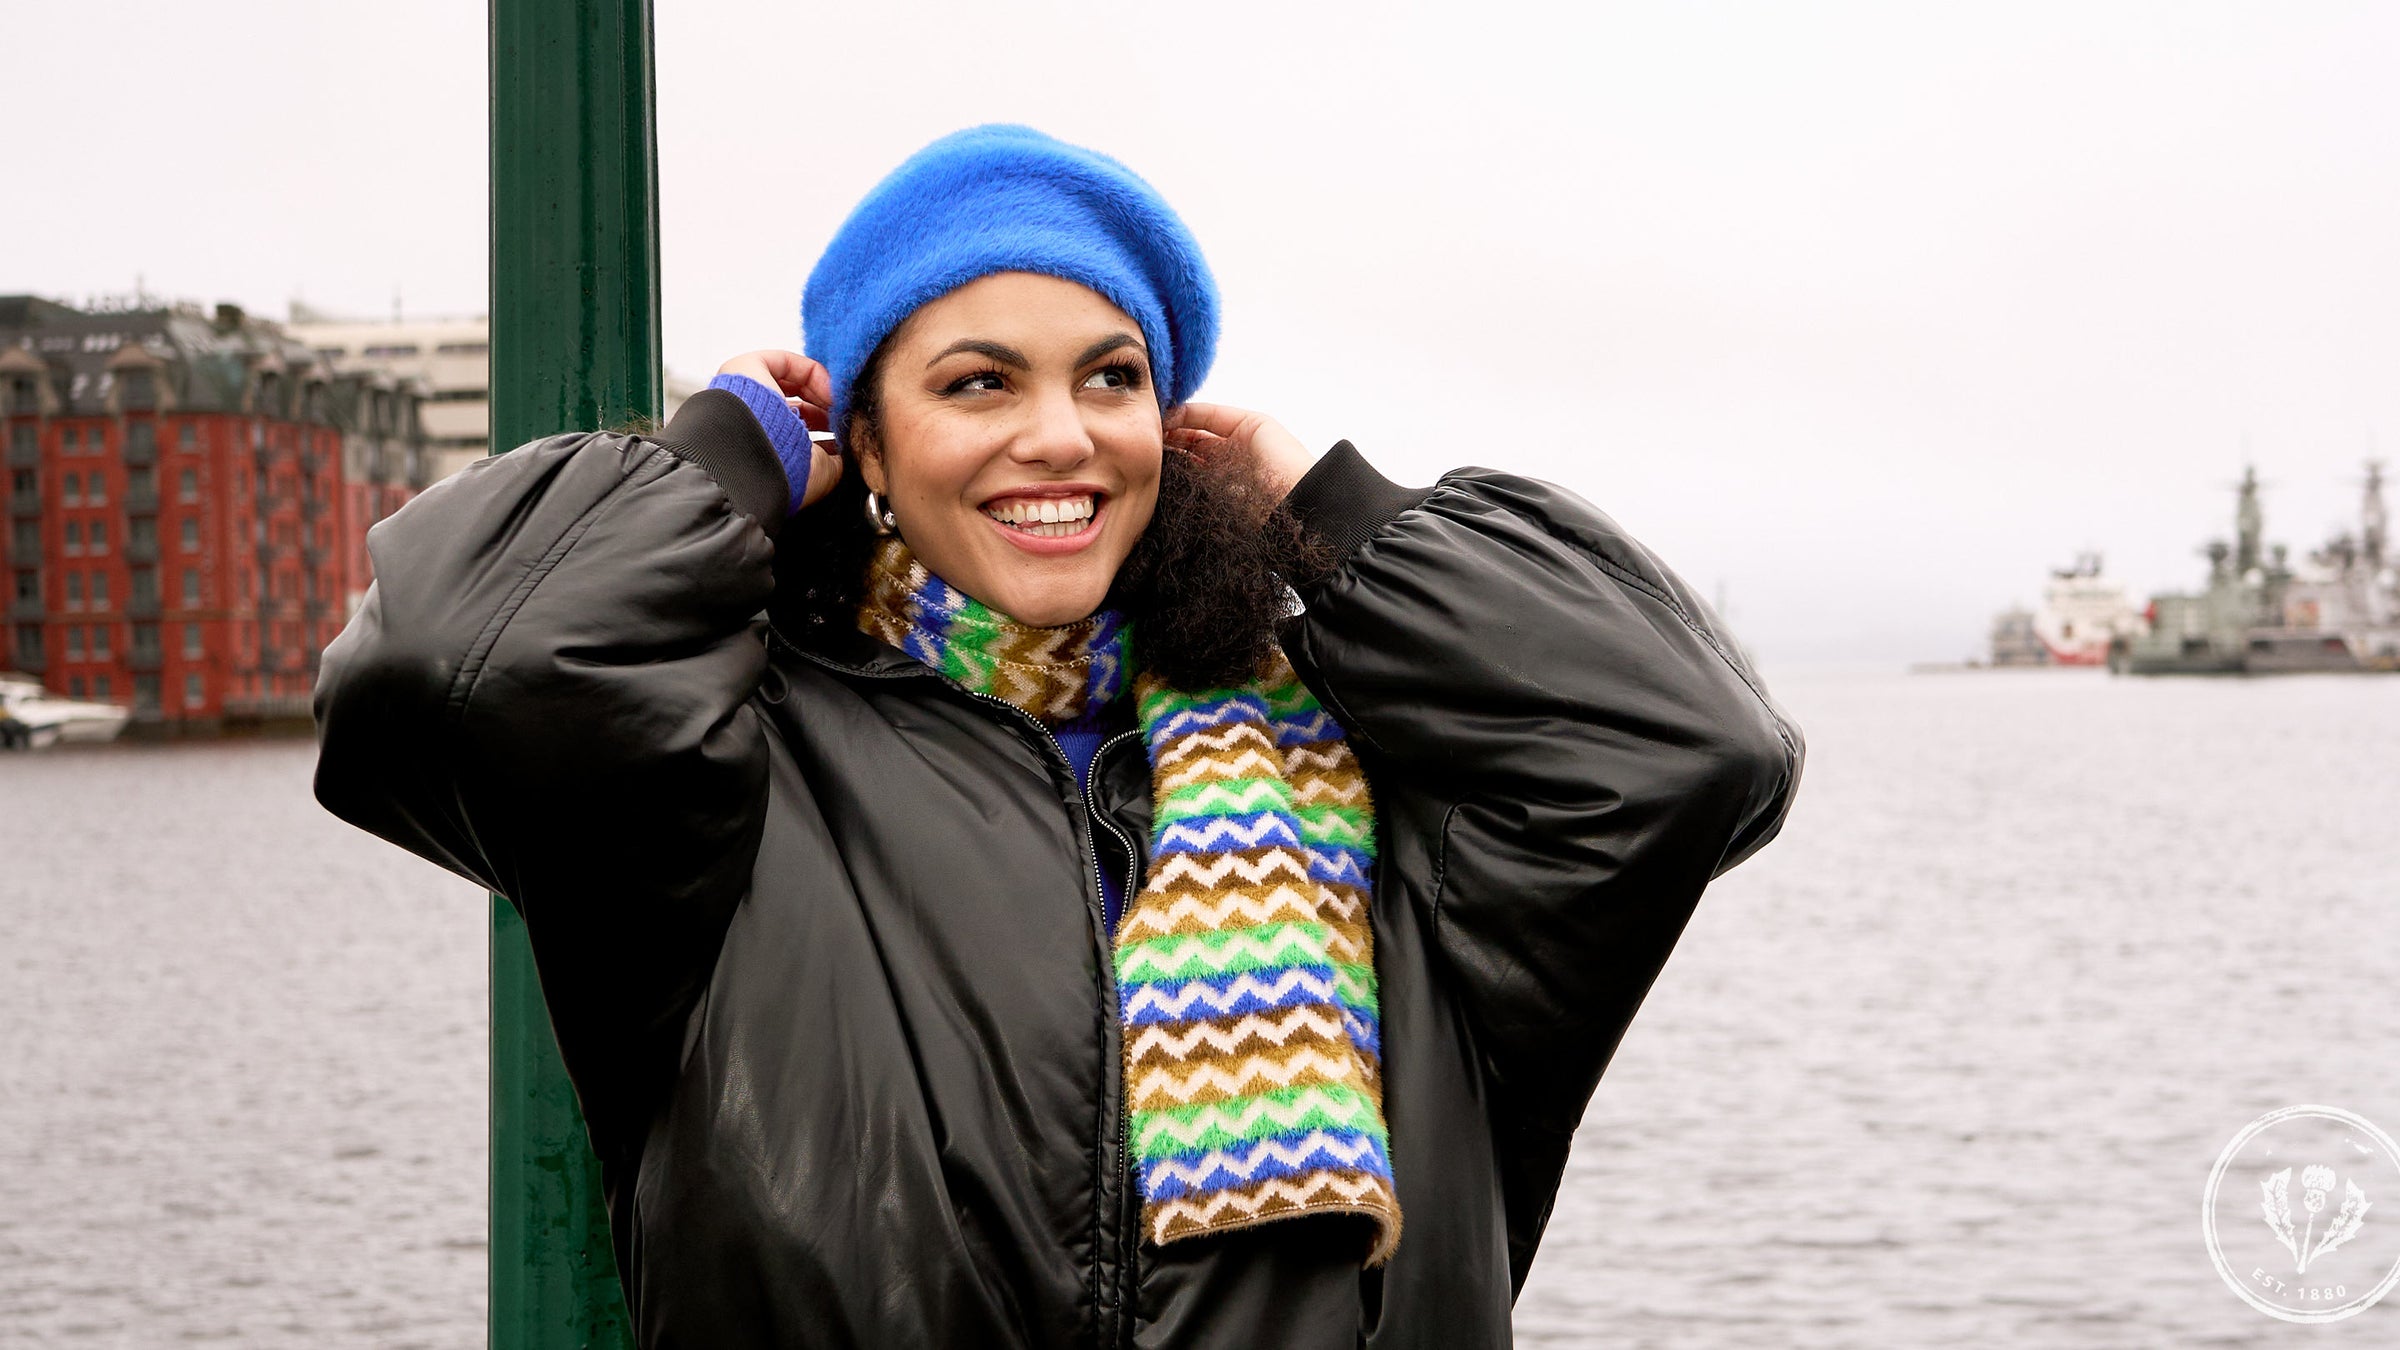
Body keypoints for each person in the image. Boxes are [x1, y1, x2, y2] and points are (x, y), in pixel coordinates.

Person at [313, 125, 1804, 1348]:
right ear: (867, 442)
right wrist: (725, 462)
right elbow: (446, 665)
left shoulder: (1374, 786)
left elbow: (1687, 744)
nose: (1062, 435)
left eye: (1113, 376)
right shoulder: (731, 777)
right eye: (978, 382)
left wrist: (1336, 512)